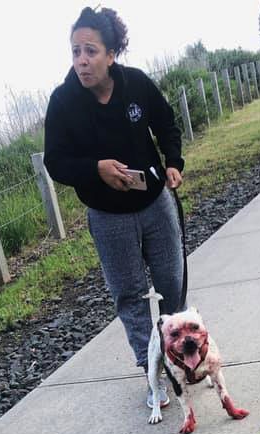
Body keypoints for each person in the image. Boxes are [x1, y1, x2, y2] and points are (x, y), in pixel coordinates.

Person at [43, 6, 185, 409]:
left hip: (156, 204)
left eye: (90, 51)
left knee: (171, 283)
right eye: (75, 51)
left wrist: (173, 162)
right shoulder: (63, 102)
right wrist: (95, 170)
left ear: (111, 54)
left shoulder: (137, 84)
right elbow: (56, 161)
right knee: (130, 296)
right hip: (108, 218)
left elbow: (167, 124)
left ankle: (179, 355)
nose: (82, 60)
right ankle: (151, 371)